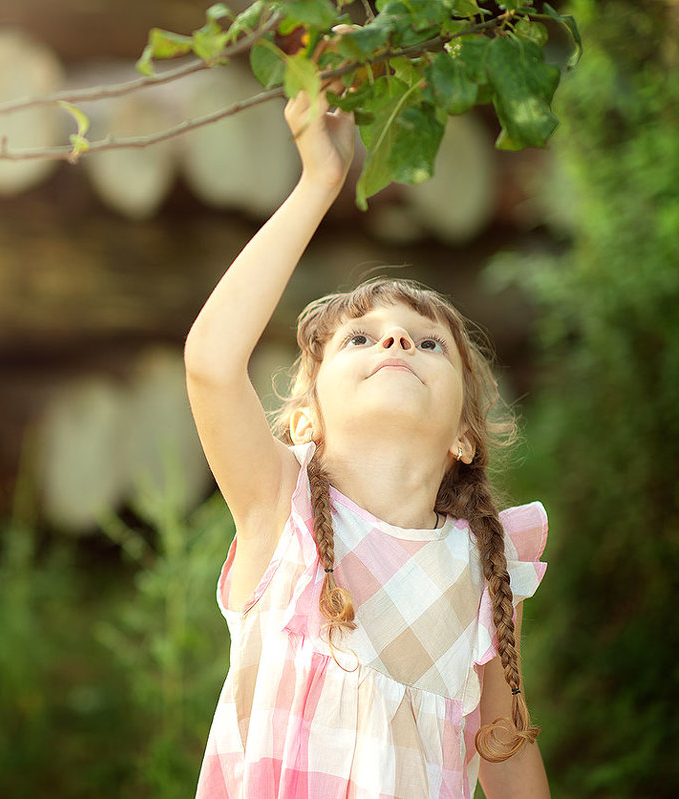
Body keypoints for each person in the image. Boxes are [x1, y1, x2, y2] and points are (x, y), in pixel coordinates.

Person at [183, 86, 551, 799]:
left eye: (426, 343)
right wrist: (319, 183)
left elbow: (504, 754)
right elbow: (209, 363)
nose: (394, 339)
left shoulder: (487, 568)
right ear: (308, 420)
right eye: (361, 336)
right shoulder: (278, 511)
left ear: (465, 438)